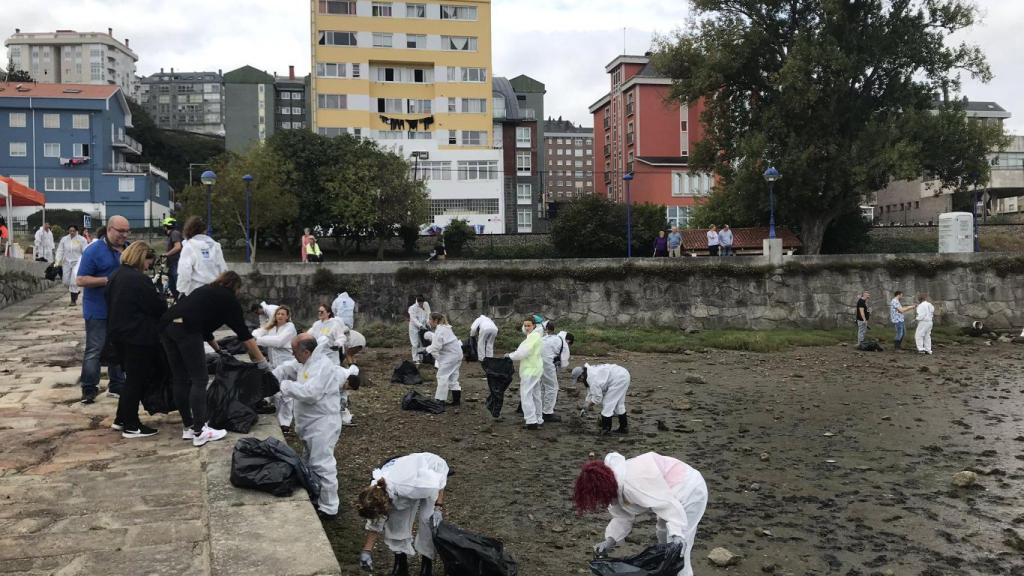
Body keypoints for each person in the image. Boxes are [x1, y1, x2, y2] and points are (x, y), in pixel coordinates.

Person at [160, 271, 268, 446]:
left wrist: (219, 350)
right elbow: (245, 335)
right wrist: (261, 362)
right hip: (187, 329)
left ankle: (189, 427)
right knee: (199, 379)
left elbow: (205, 329)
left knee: (180, 378)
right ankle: (200, 431)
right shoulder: (229, 299)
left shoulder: (204, 291)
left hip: (167, 327)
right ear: (235, 287)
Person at [573, 452, 708, 576]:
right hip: (668, 494)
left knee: (679, 552)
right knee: (663, 536)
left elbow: (668, 505)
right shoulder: (613, 487)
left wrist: (678, 535)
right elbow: (622, 516)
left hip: (689, 488)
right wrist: (609, 540)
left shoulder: (633, 482)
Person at [273, 333, 358, 519]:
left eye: (294, 351)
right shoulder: (306, 362)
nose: (292, 355)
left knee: (322, 464)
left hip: (323, 423)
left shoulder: (322, 366)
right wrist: (272, 376)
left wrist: (285, 386)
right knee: (310, 461)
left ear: (305, 351)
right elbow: (288, 367)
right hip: (310, 423)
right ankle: (316, 493)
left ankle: (329, 507)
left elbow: (311, 393)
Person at [106, 242, 166, 438]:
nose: (149, 265)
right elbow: (157, 308)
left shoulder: (115, 276)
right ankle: (132, 425)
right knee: (136, 380)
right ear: (141, 257)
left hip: (119, 335)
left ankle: (121, 418)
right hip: (138, 337)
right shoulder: (139, 280)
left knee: (130, 378)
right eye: (149, 261)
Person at [357, 452, 449, 576]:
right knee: (396, 522)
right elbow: (376, 519)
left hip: (431, 470)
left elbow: (439, 481)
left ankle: (427, 565)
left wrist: (438, 507)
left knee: (427, 520)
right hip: (408, 476)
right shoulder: (375, 489)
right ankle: (401, 565)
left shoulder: (412, 487)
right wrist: (367, 550)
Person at [75, 216, 130, 403]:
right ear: (109, 229)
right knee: (95, 349)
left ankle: (117, 384)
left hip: (121, 310)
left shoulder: (129, 250)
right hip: (97, 309)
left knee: (119, 347)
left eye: (126, 231)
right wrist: (108, 280)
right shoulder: (93, 251)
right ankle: (89, 388)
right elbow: (81, 280)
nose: (124, 235)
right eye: (120, 231)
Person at [507, 317, 544, 430]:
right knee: (535, 395)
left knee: (526, 395)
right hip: (536, 369)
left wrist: (509, 356)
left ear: (534, 325)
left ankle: (531, 421)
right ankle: (538, 418)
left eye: (529, 325)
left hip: (530, 370)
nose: (527, 328)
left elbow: (523, 352)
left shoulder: (533, 337)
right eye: (525, 325)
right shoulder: (536, 336)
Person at [573, 363, 631, 434]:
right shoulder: (588, 373)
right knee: (619, 404)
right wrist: (586, 404)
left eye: (578, 380)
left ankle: (606, 429)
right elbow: (591, 391)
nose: (580, 382)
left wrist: (588, 405)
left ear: (581, 376)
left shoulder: (592, 378)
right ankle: (624, 428)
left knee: (607, 403)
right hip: (622, 374)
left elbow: (597, 398)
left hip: (619, 378)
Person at [176, 216, 227, 297]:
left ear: (188, 230)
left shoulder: (189, 246)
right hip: (214, 291)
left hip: (195, 292)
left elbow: (184, 272)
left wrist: (181, 290)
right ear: (205, 230)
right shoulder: (215, 245)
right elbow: (223, 270)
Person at [424, 312, 462, 406]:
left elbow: (436, 347)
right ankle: (456, 401)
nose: (429, 321)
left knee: (442, 376)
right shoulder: (445, 328)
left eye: (430, 319)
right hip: (457, 355)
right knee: (453, 377)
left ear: (435, 320)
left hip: (451, 356)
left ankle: (440, 400)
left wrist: (426, 350)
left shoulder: (440, 330)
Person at [540, 321, 571, 423]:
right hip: (547, 365)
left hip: (536, 364)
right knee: (552, 387)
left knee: (541, 386)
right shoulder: (563, 342)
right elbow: (564, 363)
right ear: (568, 340)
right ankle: (547, 413)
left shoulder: (546, 338)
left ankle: (539, 409)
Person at [54, 224, 88, 305]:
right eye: (70, 231)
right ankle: (76, 291)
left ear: (77, 231)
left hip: (77, 262)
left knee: (73, 282)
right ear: (68, 231)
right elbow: (60, 250)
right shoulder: (64, 239)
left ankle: (73, 300)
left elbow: (85, 251)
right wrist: (57, 261)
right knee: (65, 281)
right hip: (66, 262)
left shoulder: (82, 239)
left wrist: (85, 261)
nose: (72, 232)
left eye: (73, 231)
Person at [162, 217, 183, 300]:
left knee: (177, 286)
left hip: (176, 263)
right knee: (171, 285)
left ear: (167, 226)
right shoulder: (172, 234)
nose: (163, 228)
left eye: (164, 226)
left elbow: (178, 247)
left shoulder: (174, 233)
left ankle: (181, 302)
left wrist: (166, 254)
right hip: (172, 264)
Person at [407, 295, 431, 363]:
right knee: (415, 343)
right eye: (420, 303)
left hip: (423, 327)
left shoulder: (425, 305)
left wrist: (428, 323)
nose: (421, 304)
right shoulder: (412, 308)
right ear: (417, 302)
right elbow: (413, 319)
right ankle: (415, 358)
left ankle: (422, 357)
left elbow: (427, 315)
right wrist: (420, 325)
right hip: (414, 327)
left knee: (422, 342)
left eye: (422, 303)